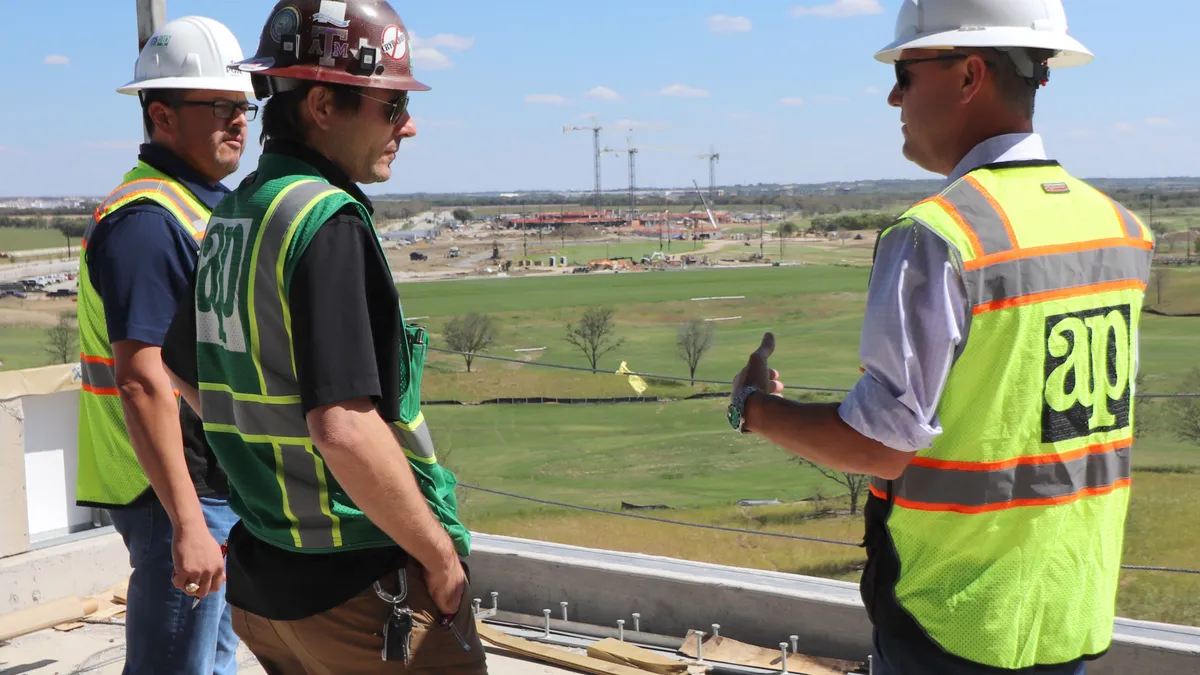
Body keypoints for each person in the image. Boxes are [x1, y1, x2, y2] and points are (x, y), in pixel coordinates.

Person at [726, 1, 1155, 673]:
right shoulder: (1119, 230)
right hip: (1067, 609)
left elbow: (880, 444)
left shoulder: (938, 236)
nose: (894, 95)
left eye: (906, 69)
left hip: (953, 618)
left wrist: (751, 407)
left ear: (969, 75)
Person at [160, 1, 487, 672]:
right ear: (320, 105)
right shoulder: (325, 221)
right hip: (361, 589)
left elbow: (188, 372)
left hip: (266, 585)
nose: (409, 125)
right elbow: (343, 425)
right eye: (391, 105)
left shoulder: (240, 212)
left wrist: (273, 478)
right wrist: (438, 555)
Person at [75, 16, 255, 675]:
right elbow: (141, 378)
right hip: (171, 489)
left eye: (244, 107)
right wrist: (187, 522)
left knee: (213, 660)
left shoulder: (196, 205)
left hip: (209, 481)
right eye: (220, 107)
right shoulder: (148, 222)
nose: (239, 121)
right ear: (162, 114)